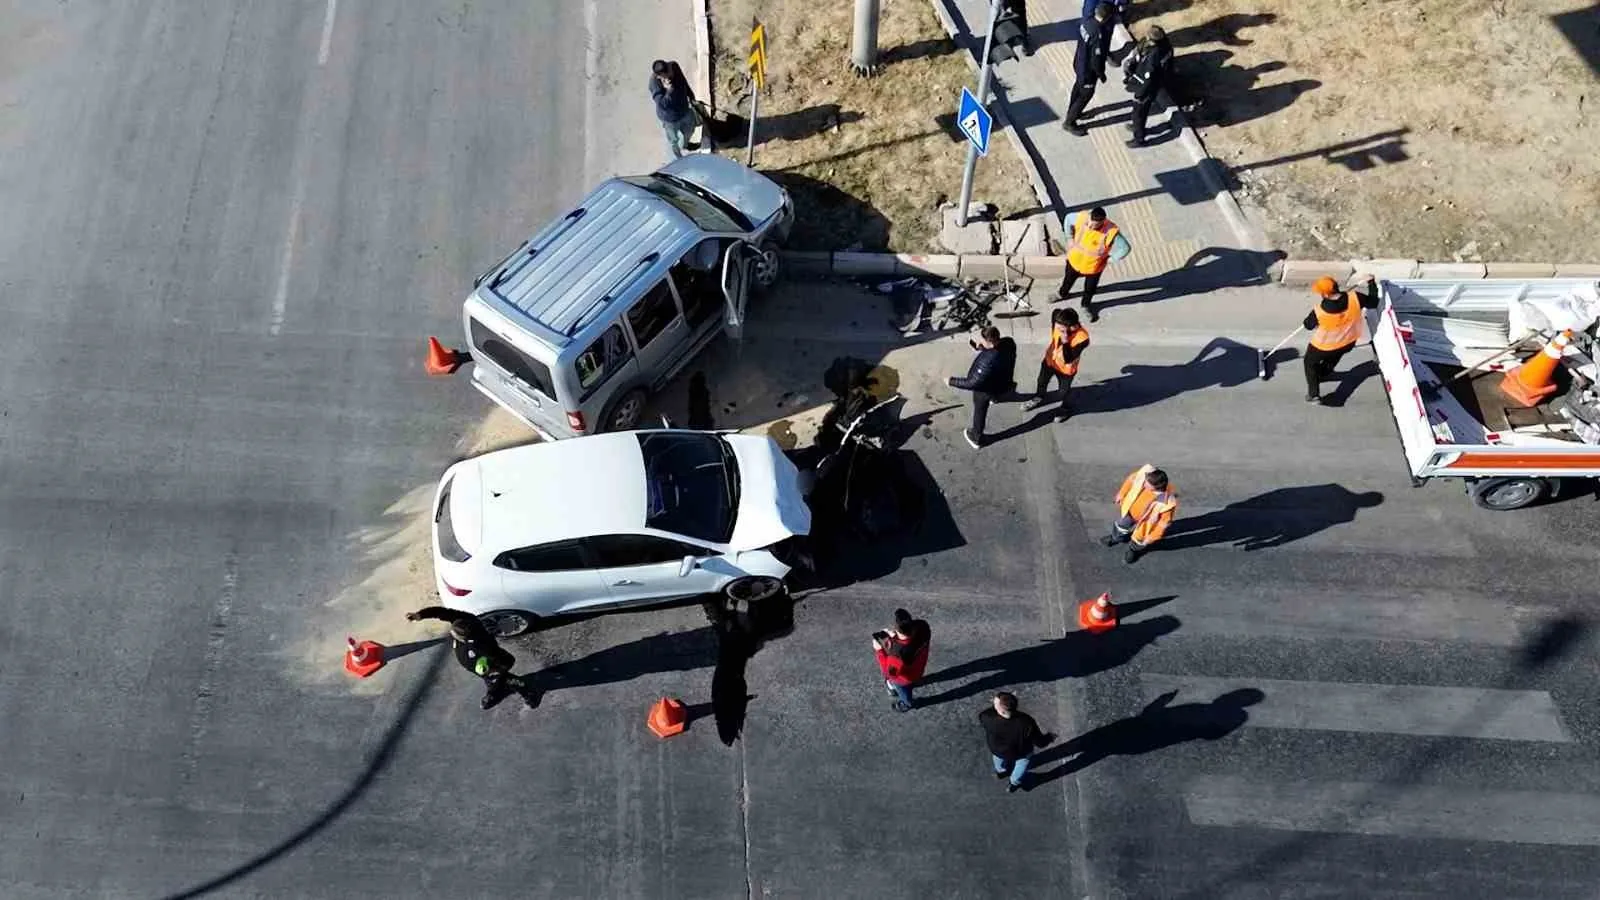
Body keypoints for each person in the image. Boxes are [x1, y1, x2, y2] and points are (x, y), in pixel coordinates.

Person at [406, 606, 535, 709]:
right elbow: (441, 611)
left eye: (455, 634)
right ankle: (494, 693)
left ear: (466, 638)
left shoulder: (484, 644)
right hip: (479, 669)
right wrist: (420, 615)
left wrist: (493, 671)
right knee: (490, 683)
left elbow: (507, 660)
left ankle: (528, 692)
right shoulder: (463, 619)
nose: (452, 632)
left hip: (491, 669)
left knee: (504, 680)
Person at [1303, 274, 1380, 404]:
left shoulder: (1319, 311)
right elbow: (1374, 302)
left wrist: (1313, 322)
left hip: (1323, 346)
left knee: (1309, 363)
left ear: (1325, 295)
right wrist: (1371, 283)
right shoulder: (1356, 297)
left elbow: (1308, 325)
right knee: (1334, 357)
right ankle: (1322, 374)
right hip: (1347, 341)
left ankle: (1314, 394)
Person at [948, 325, 1017, 450]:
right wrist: (983, 349)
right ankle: (995, 398)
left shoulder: (987, 360)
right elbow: (999, 353)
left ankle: (976, 437)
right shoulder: (1009, 342)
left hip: (986, 389)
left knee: (980, 411)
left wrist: (951, 381)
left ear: (988, 341)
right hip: (1003, 382)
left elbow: (972, 383)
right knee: (997, 391)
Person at [1100, 464, 1177, 564]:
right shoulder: (1146, 475)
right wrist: (1122, 493)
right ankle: (1116, 538)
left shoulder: (1167, 503)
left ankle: (1133, 550)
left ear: (1155, 487)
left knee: (1139, 539)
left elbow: (1163, 524)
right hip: (1130, 512)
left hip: (1146, 523)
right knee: (1121, 525)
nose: (1143, 483)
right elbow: (1130, 481)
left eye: (1147, 483)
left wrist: (1152, 537)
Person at [1055, 207, 1120, 322]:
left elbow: (1125, 248)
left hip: (1093, 268)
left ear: (1102, 222)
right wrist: (1069, 238)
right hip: (1074, 260)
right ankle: (1061, 294)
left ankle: (1085, 305)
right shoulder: (1081, 218)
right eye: (1090, 223)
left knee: (1090, 289)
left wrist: (1111, 260)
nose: (1090, 226)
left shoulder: (1111, 231)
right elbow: (1068, 219)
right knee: (1068, 279)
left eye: (1094, 225)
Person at [978, 692, 1053, 793]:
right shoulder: (1026, 722)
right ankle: (1014, 783)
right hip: (1021, 752)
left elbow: (983, 716)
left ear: (1001, 710)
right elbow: (1039, 742)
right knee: (1021, 765)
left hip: (997, 749)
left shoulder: (987, 717)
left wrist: (995, 707)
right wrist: (1049, 737)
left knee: (998, 759)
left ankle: (1001, 772)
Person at [1025, 307, 1090, 414]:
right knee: (1041, 381)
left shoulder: (1083, 338)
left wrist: (1065, 341)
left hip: (1065, 370)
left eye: (1061, 328)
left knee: (1063, 392)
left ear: (1071, 327)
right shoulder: (1058, 320)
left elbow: (1068, 359)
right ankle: (1039, 397)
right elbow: (1056, 311)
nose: (1057, 328)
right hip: (1050, 361)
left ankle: (1065, 408)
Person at [1065, 3, 1113, 136]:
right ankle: (1069, 122)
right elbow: (1096, 60)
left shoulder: (1087, 22)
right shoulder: (1098, 34)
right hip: (1088, 71)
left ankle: (1073, 111)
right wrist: (1101, 74)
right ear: (1106, 18)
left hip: (1079, 63)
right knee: (1085, 95)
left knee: (1077, 88)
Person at [1122, 26, 1175, 147]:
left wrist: (1139, 94)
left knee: (1139, 112)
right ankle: (1137, 127)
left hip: (1148, 87)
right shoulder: (1166, 46)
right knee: (1142, 111)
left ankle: (1139, 138)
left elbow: (1148, 77)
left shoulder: (1154, 55)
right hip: (1158, 82)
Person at [872, 608, 932, 712]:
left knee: (904, 692)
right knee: (913, 679)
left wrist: (879, 651)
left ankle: (907, 704)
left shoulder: (897, 654)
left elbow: (889, 673)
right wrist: (896, 637)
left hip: (903, 680)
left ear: (896, 629)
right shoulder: (923, 626)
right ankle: (911, 686)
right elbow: (909, 642)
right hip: (919, 668)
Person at [649, 59, 698, 160]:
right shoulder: (654, 83)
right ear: (659, 76)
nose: (671, 73)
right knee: (673, 140)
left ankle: (686, 145)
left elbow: (683, 81)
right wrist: (669, 91)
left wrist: (691, 95)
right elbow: (662, 104)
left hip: (684, 110)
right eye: (667, 74)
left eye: (670, 70)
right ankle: (678, 156)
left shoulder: (674, 65)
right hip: (670, 119)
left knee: (690, 129)